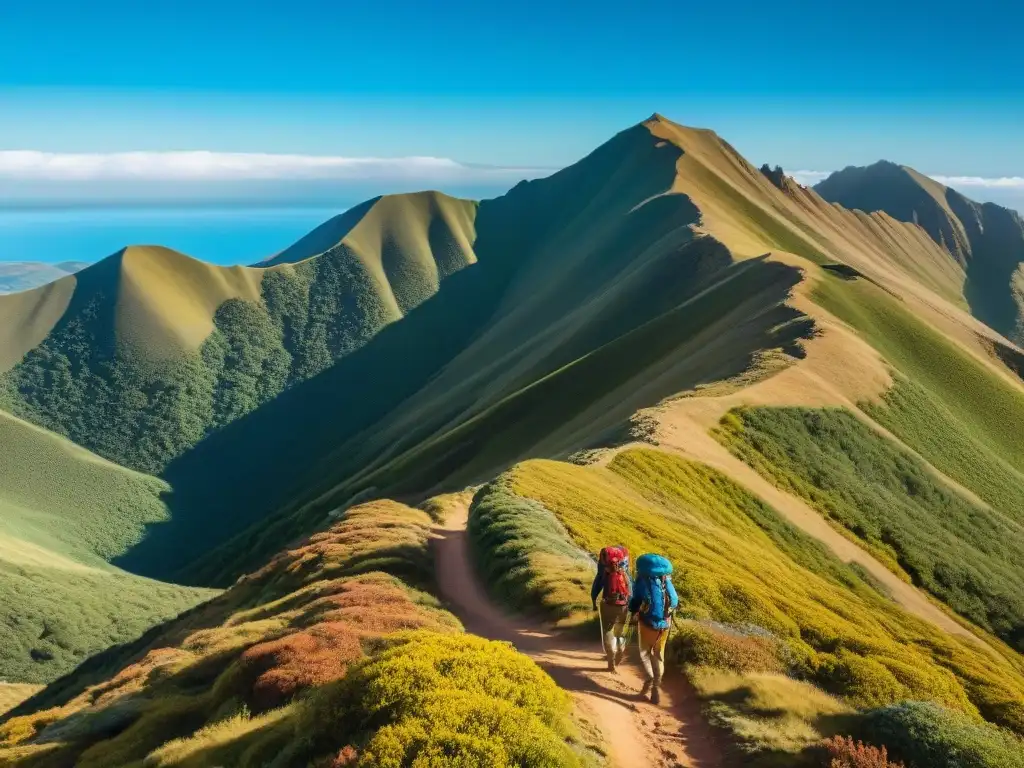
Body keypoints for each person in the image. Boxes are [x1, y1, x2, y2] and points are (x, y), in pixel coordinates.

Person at [629, 553, 678, 704]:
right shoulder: (666, 579)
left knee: (644, 653)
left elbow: (636, 600)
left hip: (647, 624)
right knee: (658, 655)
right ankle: (656, 687)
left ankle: (649, 679)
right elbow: (674, 601)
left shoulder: (642, 580)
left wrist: (632, 611)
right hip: (665, 625)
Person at [591, 545, 632, 672]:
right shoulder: (624, 570)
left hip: (608, 604)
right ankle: (620, 649)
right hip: (623, 605)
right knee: (620, 631)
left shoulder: (603, 569)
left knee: (607, 631)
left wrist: (593, 601)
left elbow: (596, 586)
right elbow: (630, 587)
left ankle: (611, 660)